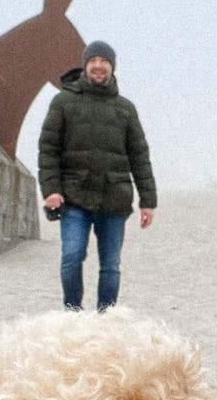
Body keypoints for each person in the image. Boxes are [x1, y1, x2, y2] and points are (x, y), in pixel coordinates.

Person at [38, 40, 157, 311]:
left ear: (112, 67)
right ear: (85, 66)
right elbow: (48, 149)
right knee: (72, 256)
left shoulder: (125, 108)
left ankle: (106, 318)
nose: (98, 66)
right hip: (74, 197)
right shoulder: (63, 101)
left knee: (111, 265)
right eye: (93, 61)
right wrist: (51, 190)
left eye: (104, 61)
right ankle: (73, 313)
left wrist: (148, 201)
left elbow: (139, 156)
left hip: (114, 199)